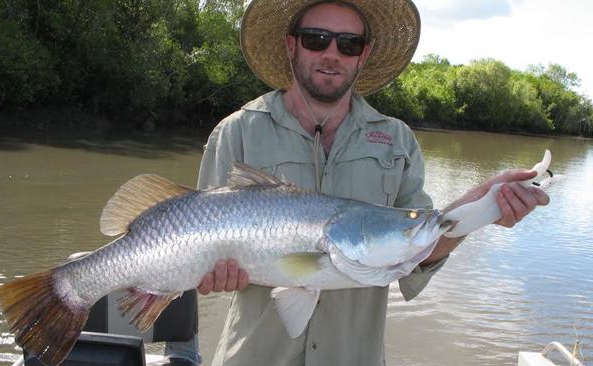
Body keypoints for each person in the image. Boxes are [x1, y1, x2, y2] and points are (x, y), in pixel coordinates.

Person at [194, 1, 550, 365]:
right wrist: (210, 272)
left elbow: (420, 248)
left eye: (348, 44)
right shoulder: (236, 132)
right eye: (316, 39)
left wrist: (485, 205)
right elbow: (198, 244)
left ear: (363, 55)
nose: (332, 53)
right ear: (291, 45)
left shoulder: (397, 141)